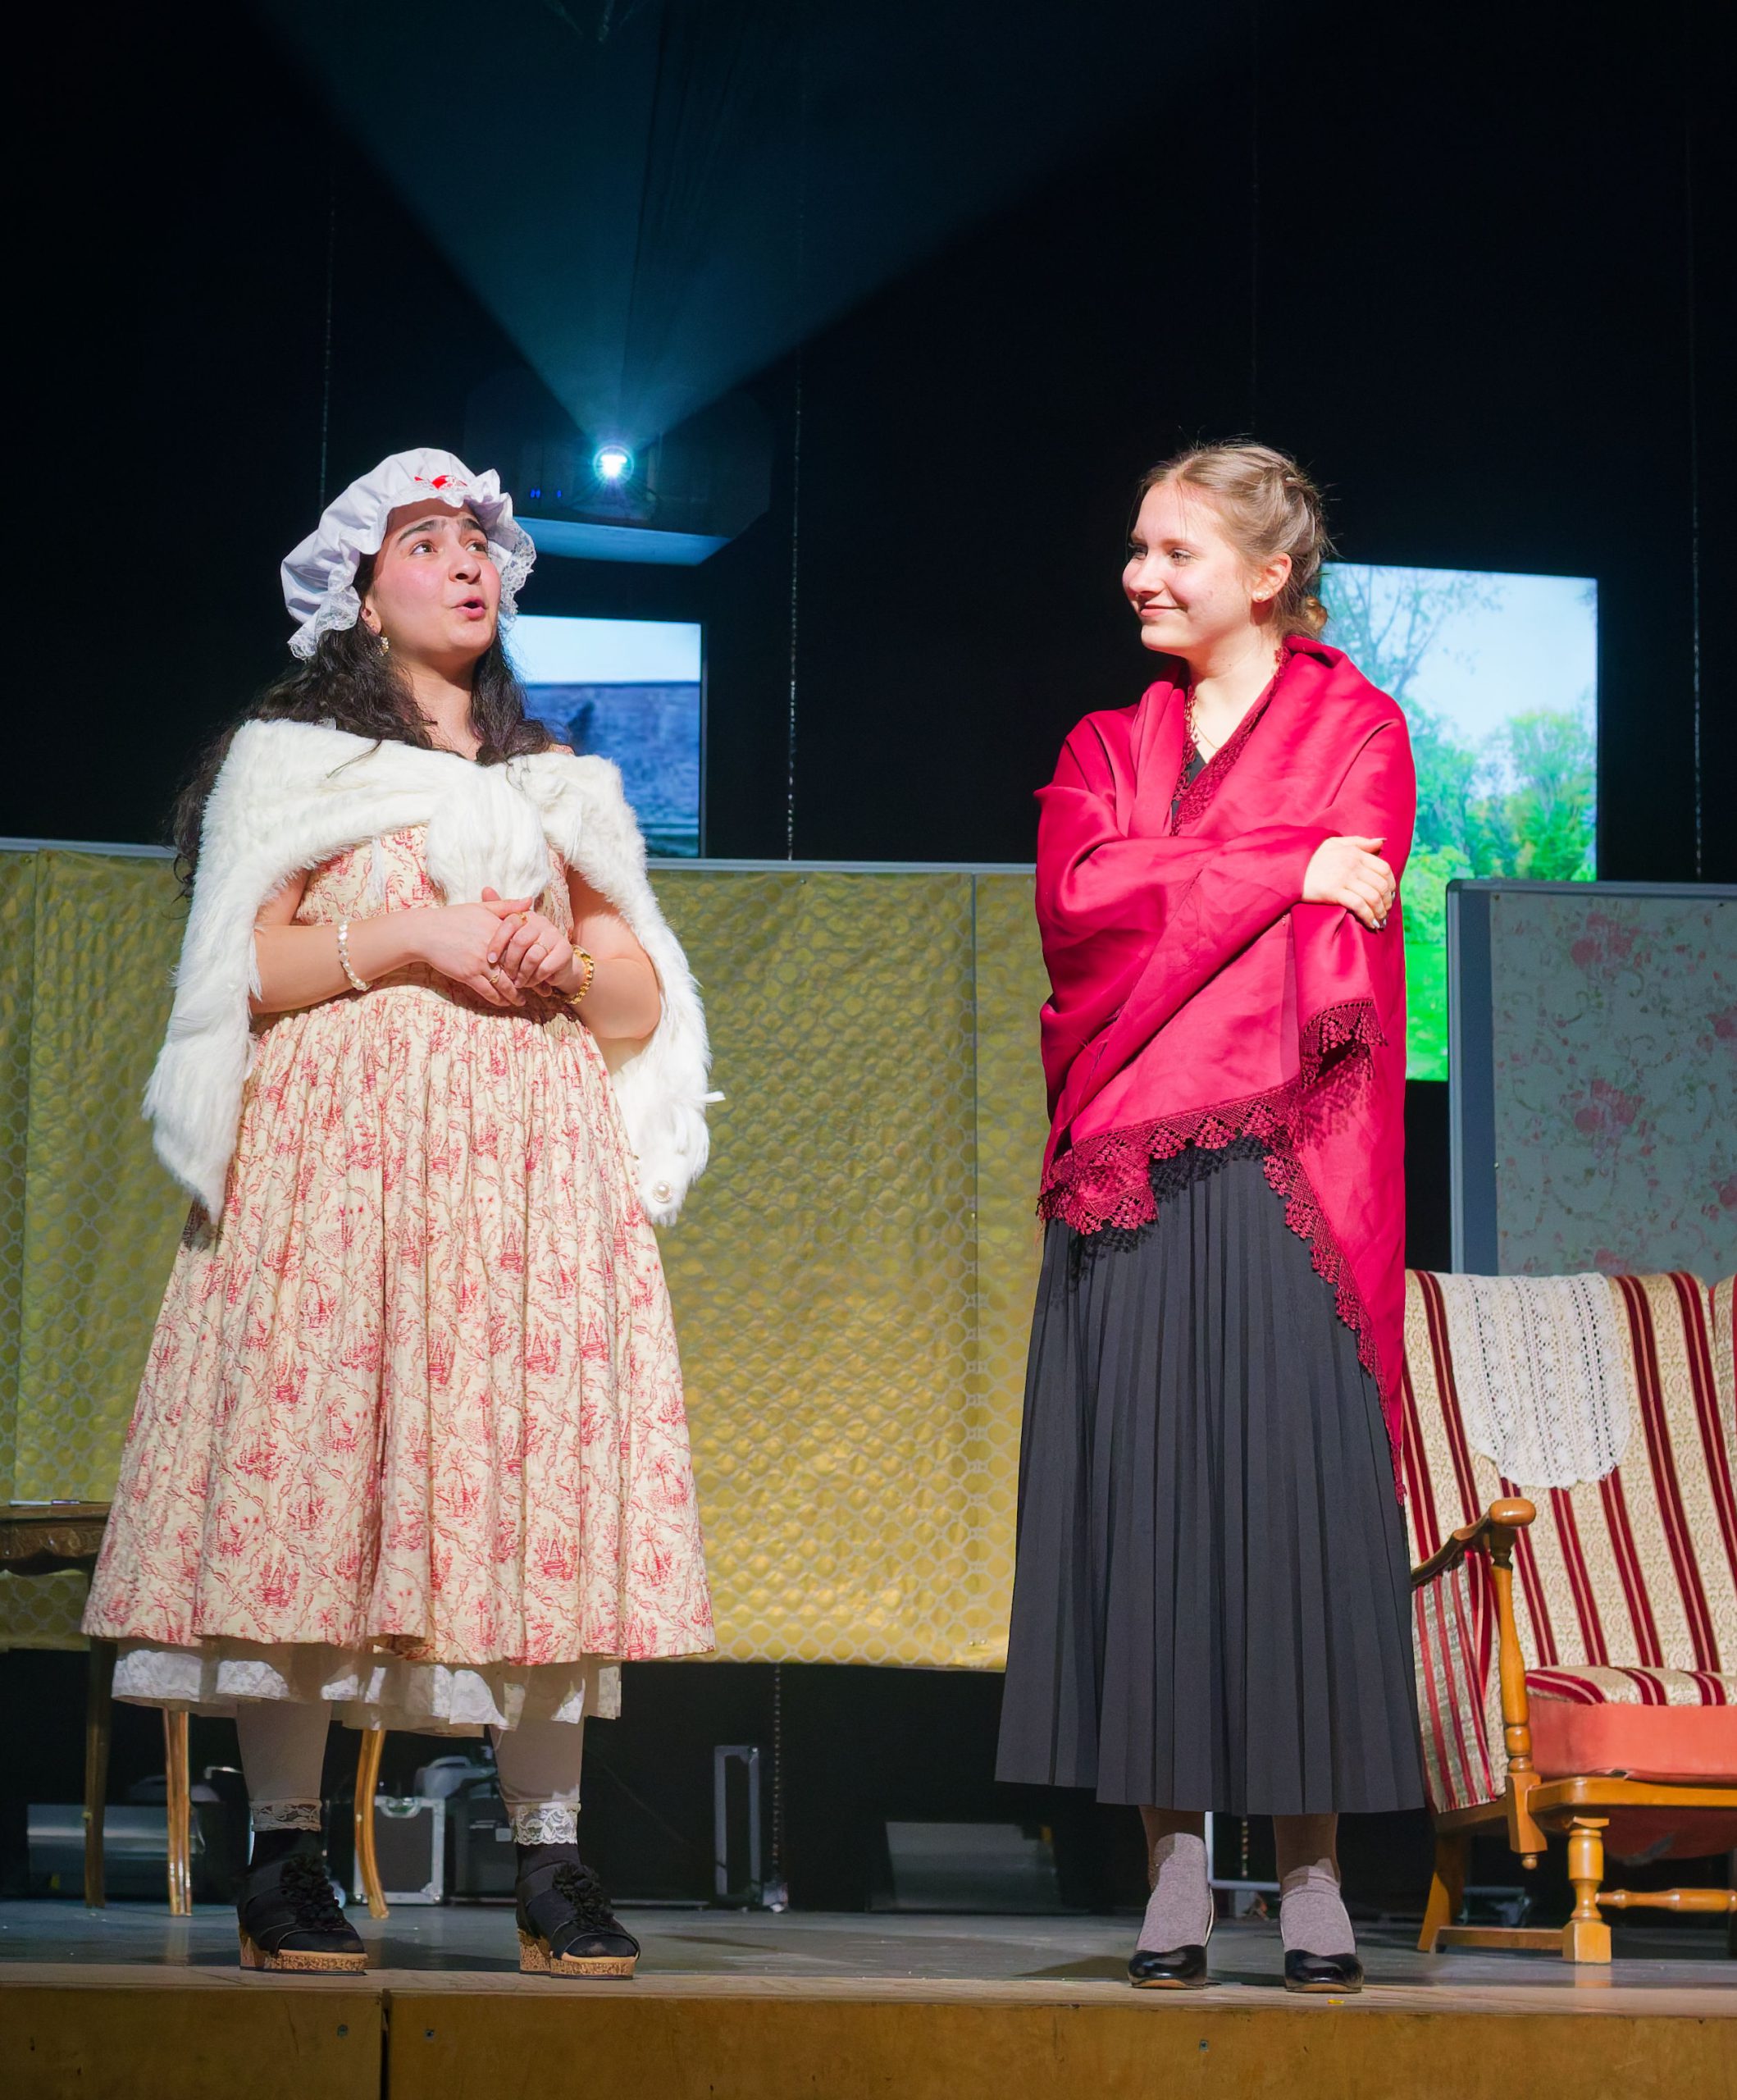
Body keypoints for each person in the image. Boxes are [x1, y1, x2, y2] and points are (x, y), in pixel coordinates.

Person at [84, 449, 716, 1977]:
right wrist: (412, 932)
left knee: (532, 1483)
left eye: (480, 541)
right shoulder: (293, 761)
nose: (467, 561)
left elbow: (640, 1000)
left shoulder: (559, 783)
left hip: (523, 1174)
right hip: (341, 1165)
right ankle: (285, 1858)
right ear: (363, 593)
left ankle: (551, 1863)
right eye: (426, 542)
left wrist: (566, 962)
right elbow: (244, 970)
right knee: (313, 1475)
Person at [995, 441, 1421, 1993]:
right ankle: (1172, 1864)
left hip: (1288, 1160)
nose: (1140, 576)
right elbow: (1082, 903)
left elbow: (1338, 920)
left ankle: (1309, 1871)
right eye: (1137, 548)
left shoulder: (1358, 729)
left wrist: (1213, 881)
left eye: (1174, 551)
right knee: (1147, 1504)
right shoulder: (1106, 742)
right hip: (1130, 1159)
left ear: (1267, 574)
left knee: (1291, 1501)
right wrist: (1281, 864)